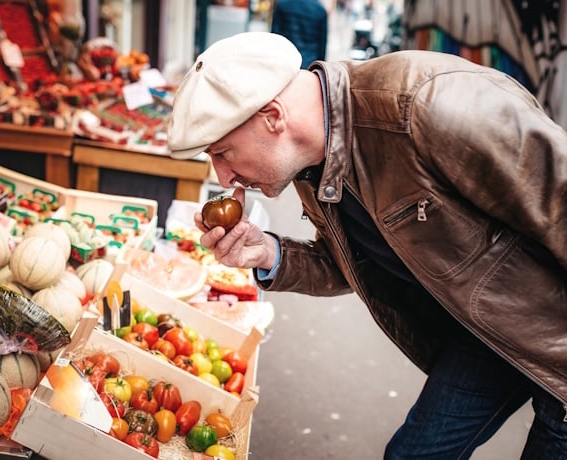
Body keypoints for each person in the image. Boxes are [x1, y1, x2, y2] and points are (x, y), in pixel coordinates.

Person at [167, 32, 567, 459]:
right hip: (486, 331)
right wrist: (267, 251)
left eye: (224, 152)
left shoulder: (427, 103)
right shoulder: (310, 159)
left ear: (272, 116)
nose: (224, 177)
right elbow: (353, 263)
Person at [271, 0, 329, 68]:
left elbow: (274, 36)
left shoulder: (282, 5)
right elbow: (322, 43)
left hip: (286, 61)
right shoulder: (320, 10)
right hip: (309, 63)